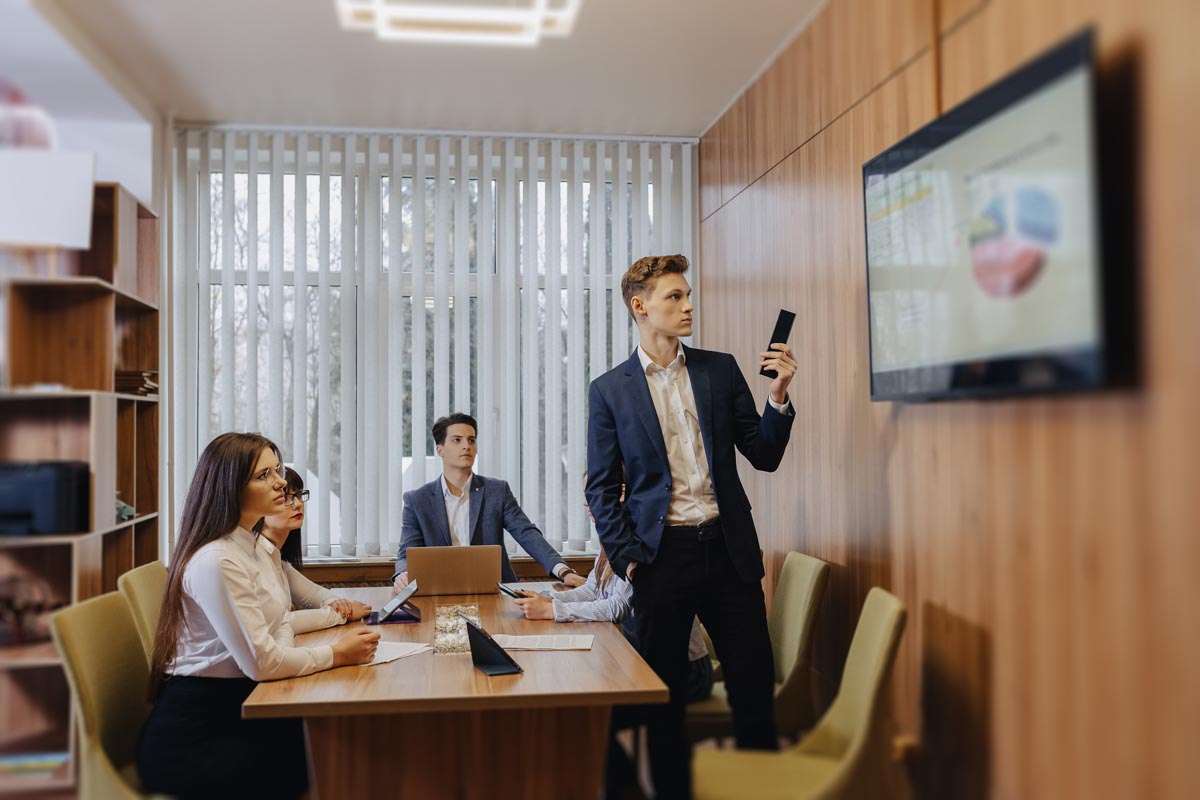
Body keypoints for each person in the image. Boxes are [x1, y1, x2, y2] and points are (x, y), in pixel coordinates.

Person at [586, 254, 796, 799]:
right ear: (640, 306)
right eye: (674, 297)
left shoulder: (719, 370)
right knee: (664, 707)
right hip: (662, 561)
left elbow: (763, 454)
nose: (688, 305)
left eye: (687, 294)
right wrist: (631, 560)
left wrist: (777, 398)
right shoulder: (610, 390)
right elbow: (602, 488)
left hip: (729, 553)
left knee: (752, 695)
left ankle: (760, 790)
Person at [137, 433, 381, 799]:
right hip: (197, 735)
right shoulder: (217, 560)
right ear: (230, 488)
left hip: (243, 705)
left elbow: (278, 628)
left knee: (351, 741)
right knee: (339, 753)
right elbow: (263, 663)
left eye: (277, 471)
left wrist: (284, 640)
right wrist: (337, 654)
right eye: (264, 475)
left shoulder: (252, 547)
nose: (282, 482)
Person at [513, 473, 714, 704]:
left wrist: (552, 610)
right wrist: (548, 599)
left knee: (597, 706)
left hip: (686, 671)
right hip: (644, 658)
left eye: (591, 494)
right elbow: (593, 589)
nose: (585, 502)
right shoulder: (613, 532)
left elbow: (618, 607)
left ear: (620, 493)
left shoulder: (642, 536)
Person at [392, 412, 587, 590]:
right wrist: (403, 573)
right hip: (438, 590)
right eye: (457, 440)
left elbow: (527, 533)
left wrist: (563, 571)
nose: (466, 446)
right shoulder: (417, 500)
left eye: (471, 440)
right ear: (440, 449)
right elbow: (406, 553)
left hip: (495, 590)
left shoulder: (497, 491)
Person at [259, 467, 372, 634]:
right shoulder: (255, 556)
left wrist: (337, 603)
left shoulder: (277, 559)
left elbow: (314, 593)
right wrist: (341, 615)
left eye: (298, 495)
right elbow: (280, 623)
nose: (297, 504)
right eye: (285, 498)